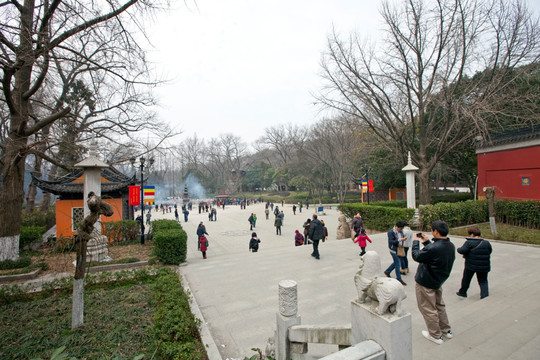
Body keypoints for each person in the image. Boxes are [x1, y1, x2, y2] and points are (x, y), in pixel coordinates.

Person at [412, 220, 456, 345]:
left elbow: (417, 256)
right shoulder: (450, 245)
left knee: (428, 309)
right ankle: (446, 330)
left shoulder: (434, 247)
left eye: (432, 230)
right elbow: (434, 253)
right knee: (439, 306)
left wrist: (415, 242)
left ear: (435, 231)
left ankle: (435, 335)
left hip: (426, 282)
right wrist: (426, 242)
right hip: (438, 281)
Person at [456, 226, 492, 299]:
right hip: (484, 265)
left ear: (472, 234)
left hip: (471, 265)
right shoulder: (486, 242)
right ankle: (484, 296)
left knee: (466, 279)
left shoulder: (469, 242)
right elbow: (490, 251)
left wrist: (458, 249)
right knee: (483, 281)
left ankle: (463, 292)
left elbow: (462, 250)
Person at [384, 221, 407, 286]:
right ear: (396, 227)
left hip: (399, 248)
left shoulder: (401, 231)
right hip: (393, 250)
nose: (401, 230)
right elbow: (391, 241)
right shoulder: (391, 232)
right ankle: (399, 279)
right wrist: (399, 240)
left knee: (397, 262)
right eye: (400, 228)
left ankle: (387, 271)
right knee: (398, 264)